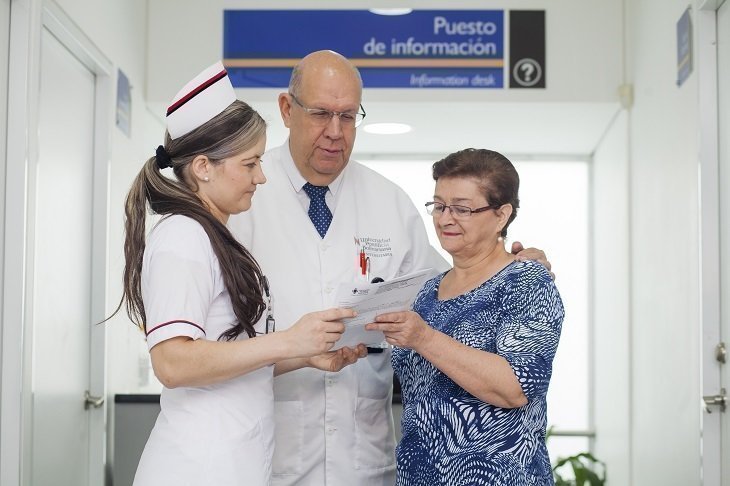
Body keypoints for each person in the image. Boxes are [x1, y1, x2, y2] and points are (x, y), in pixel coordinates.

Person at [228, 50, 552, 485]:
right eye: (322, 113)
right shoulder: (241, 199)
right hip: (269, 453)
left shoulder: (390, 202)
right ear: (287, 109)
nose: (335, 132)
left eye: (348, 116)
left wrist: (515, 260)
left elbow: (458, 286)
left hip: (365, 458)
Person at [113, 61, 366, 486]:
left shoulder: (215, 235)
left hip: (232, 465)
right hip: (196, 469)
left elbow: (226, 355)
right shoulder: (183, 238)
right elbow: (173, 361)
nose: (261, 177)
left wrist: (300, 355)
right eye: (250, 164)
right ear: (203, 167)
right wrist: (287, 340)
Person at [366, 148, 564, 486]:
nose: (445, 219)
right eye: (439, 205)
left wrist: (423, 338)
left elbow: (514, 389)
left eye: (462, 208)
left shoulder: (526, 281)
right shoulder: (428, 291)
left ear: (502, 215)